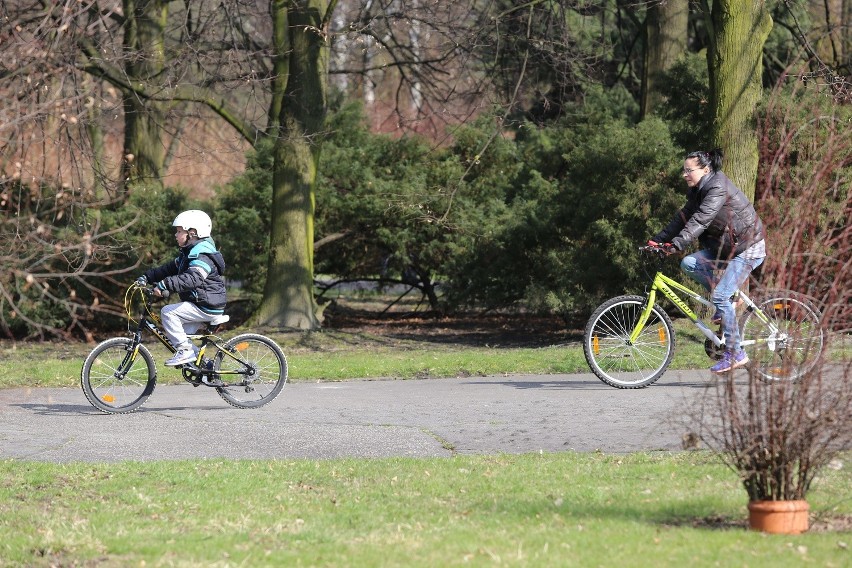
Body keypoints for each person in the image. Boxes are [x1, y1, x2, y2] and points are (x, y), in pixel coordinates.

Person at [649, 148, 766, 373]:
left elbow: (701, 220)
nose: (684, 175)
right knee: (689, 263)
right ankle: (730, 300)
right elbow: (683, 218)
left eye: (688, 170)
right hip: (726, 248)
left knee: (720, 295)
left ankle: (735, 353)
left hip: (748, 247)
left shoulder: (716, 187)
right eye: (683, 170)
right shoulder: (697, 191)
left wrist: (678, 244)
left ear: (705, 169)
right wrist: (658, 240)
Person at [136, 210, 227, 367]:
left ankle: (185, 352)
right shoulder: (189, 253)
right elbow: (169, 268)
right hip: (200, 302)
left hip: (206, 304)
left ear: (192, 233)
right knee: (178, 334)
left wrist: (165, 285)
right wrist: (148, 277)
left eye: (179, 231)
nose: (176, 235)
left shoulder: (202, 255)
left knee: (168, 312)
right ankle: (204, 367)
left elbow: (194, 278)